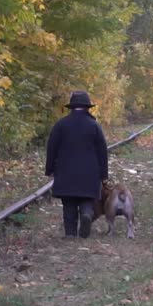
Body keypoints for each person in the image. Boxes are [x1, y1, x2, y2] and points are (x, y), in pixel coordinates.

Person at [45, 91, 109, 239]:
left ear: (72, 107)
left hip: (65, 172)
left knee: (68, 203)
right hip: (90, 173)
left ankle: (70, 234)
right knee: (87, 199)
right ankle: (86, 214)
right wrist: (104, 175)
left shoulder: (61, 125)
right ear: (87, 107)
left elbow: (51, 148)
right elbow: (102, 152)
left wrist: (50, 169)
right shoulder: (94, 126)